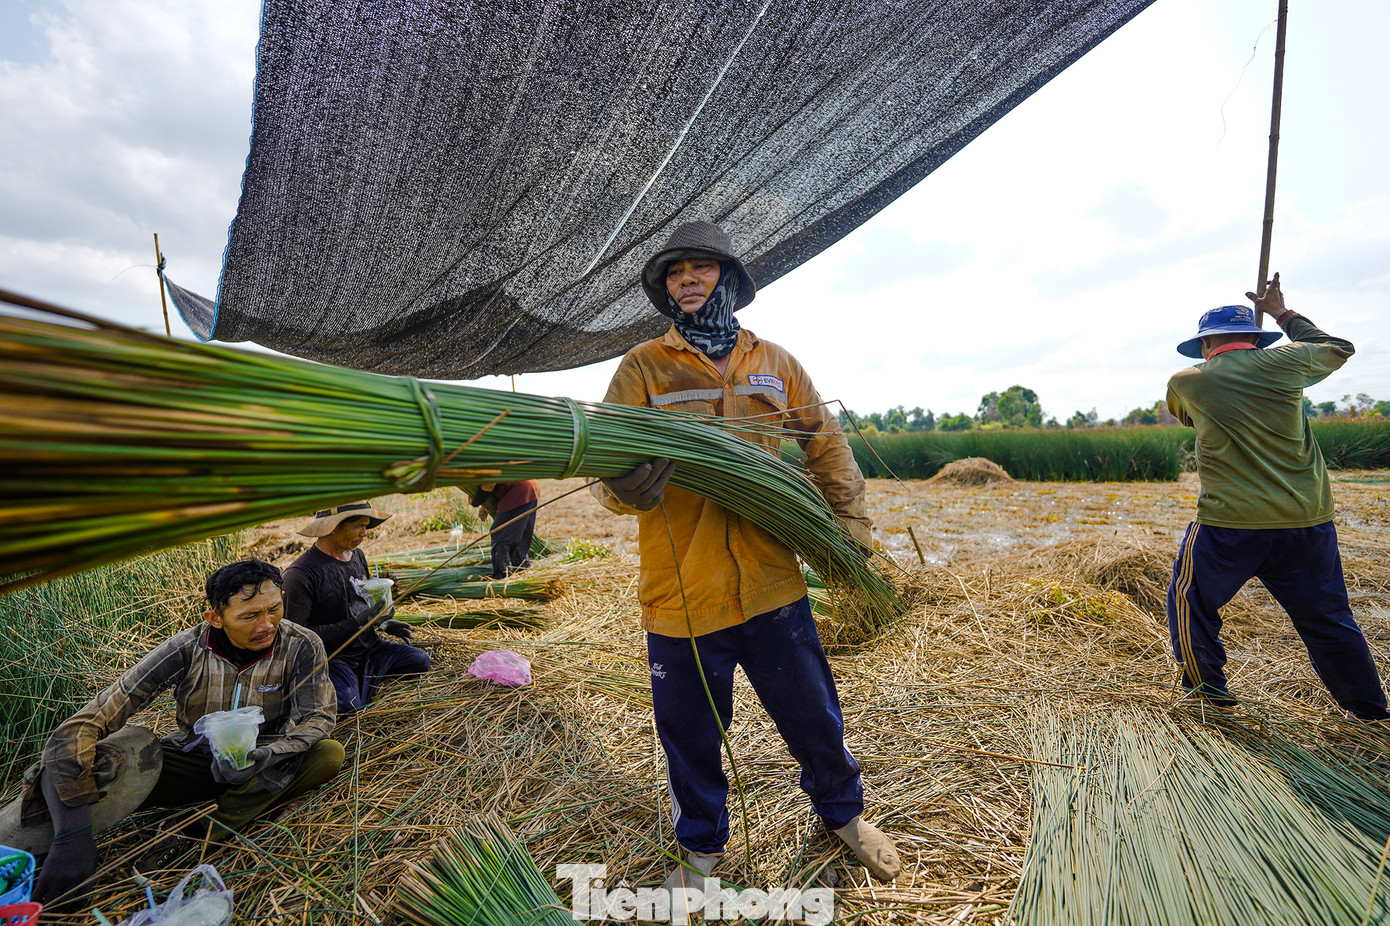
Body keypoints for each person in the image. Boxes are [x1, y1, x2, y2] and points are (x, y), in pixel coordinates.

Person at [592, 220, 901, 888]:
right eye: (676, 274)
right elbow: (607, 467)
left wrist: (851, 526)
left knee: (814, 713)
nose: (687, 281)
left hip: (771, 584)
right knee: (692, 736)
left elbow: (825, 441)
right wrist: (625, 487)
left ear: (727, 280)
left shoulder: (775, 361)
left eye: (700, 269)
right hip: (683, 590)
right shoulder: (645, 365)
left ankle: (844, 816)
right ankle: (700, 851)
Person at [0, 559, 343, 910]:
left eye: (274, 608)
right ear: (215, 618)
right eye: (250, 616)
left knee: (327, 753)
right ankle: (53, 844)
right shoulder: (187, 647)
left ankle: (197, 834)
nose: (267, 624)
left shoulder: (302, 644)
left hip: (266, 767)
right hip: (196, 760)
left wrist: (266, 755)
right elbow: (90, 719)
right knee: (102, 761)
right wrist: (73, 836)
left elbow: (316, 718)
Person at [1165, 272, 1389, 719]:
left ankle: (1208, 690)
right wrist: (1283, 312)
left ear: (1208, 345)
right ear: (1256, 338)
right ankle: (1369, 710)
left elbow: (1188, 421)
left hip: (1230, 524)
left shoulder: (1188, 381)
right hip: (1304, 520)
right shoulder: (1288, 364)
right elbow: (1339, 348)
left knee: (1189, 599)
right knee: (1328, 620)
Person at [282, 501, 431, 713]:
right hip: (334, 657)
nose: (364, 533)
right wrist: (356, 623)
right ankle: (350, 687)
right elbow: (299, 637)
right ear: (332, 527)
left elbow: (361, 600)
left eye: (366, 526)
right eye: (358, 526)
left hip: (369, 648)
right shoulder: (301, 574)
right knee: (349, 706)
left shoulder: (357, 556)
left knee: (420, 661)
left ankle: (357, 683)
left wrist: (383, 622)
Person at [469, 481, 539, 579]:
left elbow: (490, 483)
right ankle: (523, 570)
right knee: (518, 538)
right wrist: (485, 505)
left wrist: (476, 500)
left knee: (500, 537)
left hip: (517, 492)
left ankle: (502, 576)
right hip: (529, 487)